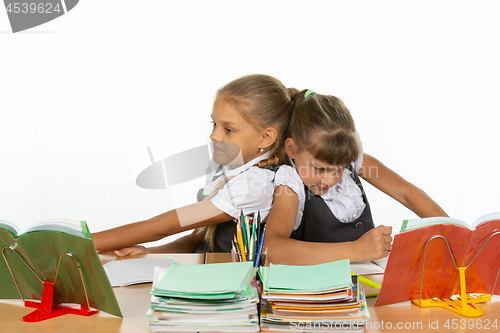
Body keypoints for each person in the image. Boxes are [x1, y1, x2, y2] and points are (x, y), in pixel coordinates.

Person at [92, 74, 297, 254]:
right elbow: (198, 239)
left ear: (266, 137)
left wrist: (81, 244)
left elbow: (162, 226)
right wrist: (150, 251)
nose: (213, 135)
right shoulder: (228, 167)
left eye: (229, 129)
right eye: (214, 124)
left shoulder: (256, 183)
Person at [263, 90, 448, 265]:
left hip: (369, 282)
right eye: (319, 169)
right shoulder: (290, 183)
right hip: (325, 291)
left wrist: (453, 233)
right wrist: (356, 250)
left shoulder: (352, 160)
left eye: (340, 169)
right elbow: (272, 251)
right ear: (292, 149)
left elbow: (406, 192)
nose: (330, 180)